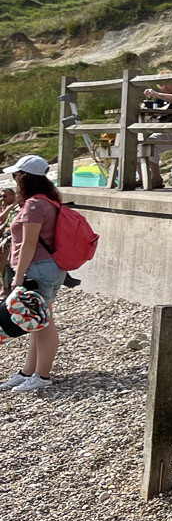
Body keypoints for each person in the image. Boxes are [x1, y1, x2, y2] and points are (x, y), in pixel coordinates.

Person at [2, 155, 66, 393]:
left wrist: (17, 278)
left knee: (43, 322)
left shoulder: (34, 206)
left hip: (38, 268)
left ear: (24, 177)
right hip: (48, 267)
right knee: (36, 321)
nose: (13, 179)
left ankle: (42, 375)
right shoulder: (47, 200)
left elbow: (29, 244)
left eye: (16, 175)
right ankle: (29, 371)